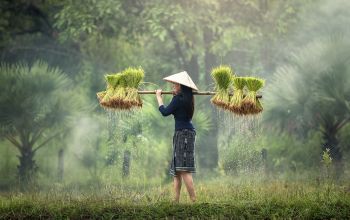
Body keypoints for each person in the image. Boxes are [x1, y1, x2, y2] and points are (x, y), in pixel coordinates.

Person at [155, 71, 198, 203]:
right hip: (185, 133)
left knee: (184, 170)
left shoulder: (178, 99)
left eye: (175, 84)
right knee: (177, 170)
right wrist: (176, 95)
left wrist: (159, 97)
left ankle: (194, 201)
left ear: (181, 86)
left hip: (183, 134)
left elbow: (165, 112)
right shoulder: (187, 98)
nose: (173, 86)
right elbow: (177, 107)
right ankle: (175, 201)